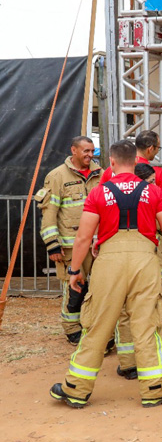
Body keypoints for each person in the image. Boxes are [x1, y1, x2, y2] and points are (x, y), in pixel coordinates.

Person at [49, 140, 162, 409]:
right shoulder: (154, 191)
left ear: (111, 162)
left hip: (108, 262)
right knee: (148, 325)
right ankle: (155, 389)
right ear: (135, 161)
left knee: (97, 325)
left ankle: (76, 388)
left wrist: (74, 270)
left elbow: (83, 237)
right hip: (145, 261)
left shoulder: (98, 193)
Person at [102, 130, 162, 349]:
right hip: (151, 242)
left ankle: (114, 343)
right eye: (157, 148)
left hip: (114, 244)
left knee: (119, 297)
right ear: (150, 148)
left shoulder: (108, 175)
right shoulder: (156, 174)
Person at [36, 136, 103, 344]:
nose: (90, 155)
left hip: (98, 244)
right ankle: (72, 328)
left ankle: (92, 325)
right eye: (86, 151)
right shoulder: (57, 176)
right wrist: (52, 244)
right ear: (74, 150)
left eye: (92, 151)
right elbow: (49, 213)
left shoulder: (101, 174)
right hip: (70, 246)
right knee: (74, 288)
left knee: (99, 287)